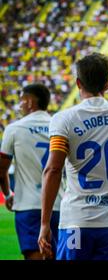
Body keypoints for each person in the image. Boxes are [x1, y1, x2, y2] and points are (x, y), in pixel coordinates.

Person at [38, 53, 108, 260]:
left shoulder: (64, 119)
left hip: (77, 222)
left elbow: (53, 169)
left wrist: (45, 223)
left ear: (78, 83)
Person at [0, 83, 64, 260]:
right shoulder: (60, 127)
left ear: (29, 102)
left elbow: (1, 170)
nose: (19, 105)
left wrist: (7, 194)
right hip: (58, 205)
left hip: (28, 205)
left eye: (21, 101)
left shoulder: (14, 129)